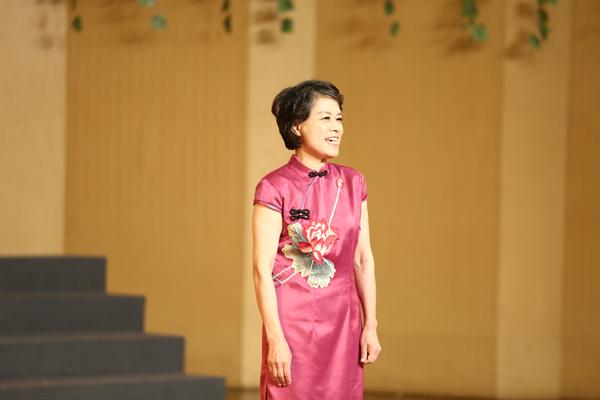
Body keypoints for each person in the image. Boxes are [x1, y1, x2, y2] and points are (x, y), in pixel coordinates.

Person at [252, 80, 381, 400]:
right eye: (325, 118)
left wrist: (371, 325)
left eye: (339, 118)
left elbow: (362, 259)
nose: (336, 127)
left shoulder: (354, 183)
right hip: (292, 327)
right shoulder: (273, 187)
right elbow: (261, 271)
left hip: (344, 326)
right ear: (297, 126)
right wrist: (275, 339)